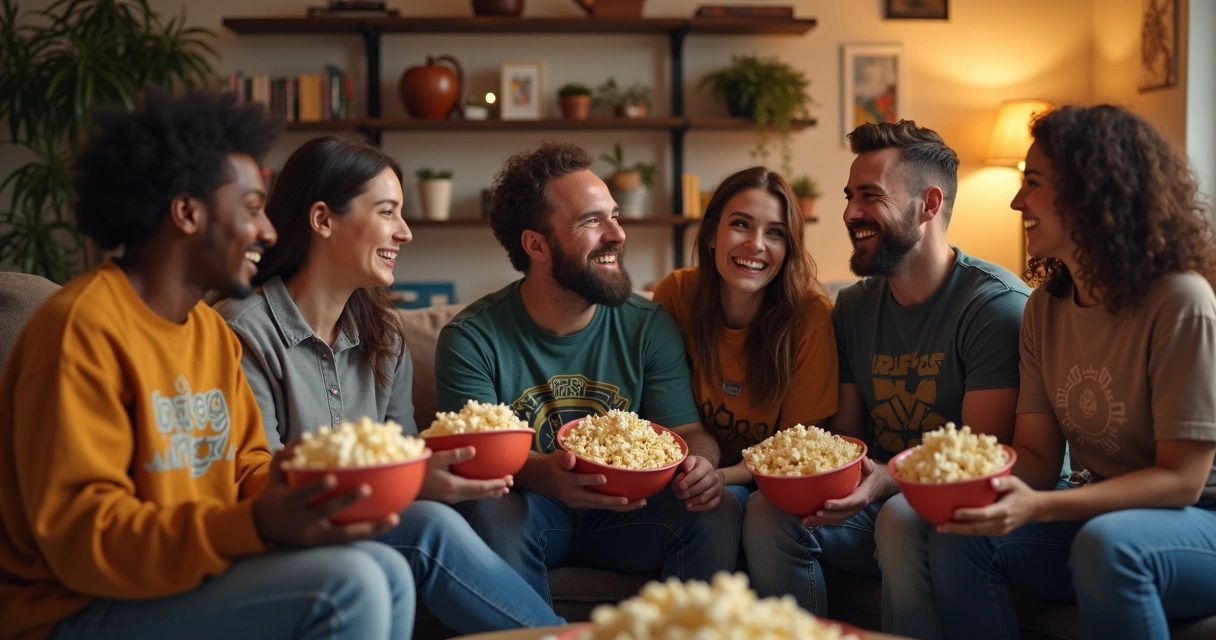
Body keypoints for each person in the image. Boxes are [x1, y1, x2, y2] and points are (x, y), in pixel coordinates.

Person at [0, 91, 413, 640]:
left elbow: (246, 466)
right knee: (351, 583)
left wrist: (304, 485)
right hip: (77, 605)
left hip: (187, 574)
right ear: (188, 213)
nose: (268, 231)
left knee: (387, 569)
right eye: (250, 208)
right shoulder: (80, 330)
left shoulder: (209, 333)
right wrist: (253, 524)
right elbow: (84, 539)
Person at [214, 134, 565, 633]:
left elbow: (402, 454)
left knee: (459, 515)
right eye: (387, 212)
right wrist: (414, 482)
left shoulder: (384, 336)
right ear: (323, 219)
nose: (405, 232)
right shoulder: (242, 331)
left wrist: (440, 471)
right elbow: (259, 484)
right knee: (429, 528)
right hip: (278, 537)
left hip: (365, 529)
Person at [928, 104, 1216, 640]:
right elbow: (1039, 460)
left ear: (1093, 190)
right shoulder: (1045, 308)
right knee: (958, 535)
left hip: (1199, 521)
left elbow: (1182, 480)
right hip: (1098, 514)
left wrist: (1042, 507)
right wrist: (948, 480)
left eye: (1033, 183)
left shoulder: (1180, 300)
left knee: (1107, 544)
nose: (1017, 201)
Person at [742, 120, 1030, 639]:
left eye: (870, 196)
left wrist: (884, 479)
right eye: (849, 196)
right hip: (879, 493)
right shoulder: (853, 307)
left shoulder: (993, 307)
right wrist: (831, 479)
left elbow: (978, 458)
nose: (850, 212)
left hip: (956, 504)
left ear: (928, 204)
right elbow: (848, 438)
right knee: (767, 510)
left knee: (900, 518)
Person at [435, 141, 742, 604]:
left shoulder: (647, 325)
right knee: (493, 512)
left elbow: (687, 431)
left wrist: (699, 463)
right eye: (591, 221)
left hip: (632, 515)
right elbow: (476, 460)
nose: (617, 233)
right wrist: (546, 474)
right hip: (533, 512)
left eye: (614, 216)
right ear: (536, 245)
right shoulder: (472, 339)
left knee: (717, 510)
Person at [652, 166, 838, 509]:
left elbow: (797, 449)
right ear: (711, 235)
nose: (756, 244)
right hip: (686, 474)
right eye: (741, 224)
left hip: (769, 485)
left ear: (789, 248)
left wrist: (721, 477)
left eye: (775, 233)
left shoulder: (810, 317)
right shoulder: (676, 294)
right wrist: (699, 473)